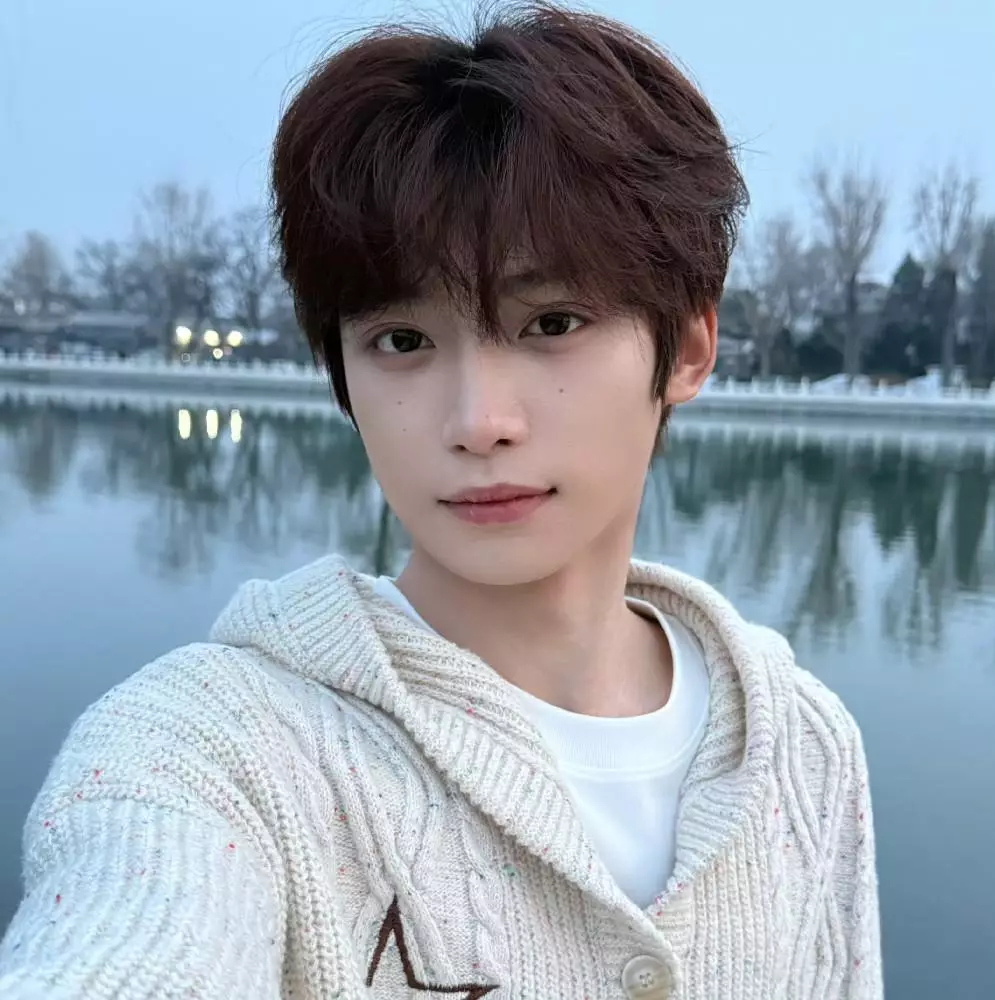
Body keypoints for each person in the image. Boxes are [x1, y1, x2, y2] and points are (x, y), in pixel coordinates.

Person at [0, 4, 881, 998]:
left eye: (551, 322)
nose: (476, 421)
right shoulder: (209, 748)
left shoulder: (802, 745)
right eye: (403, 341)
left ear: (685, 348)